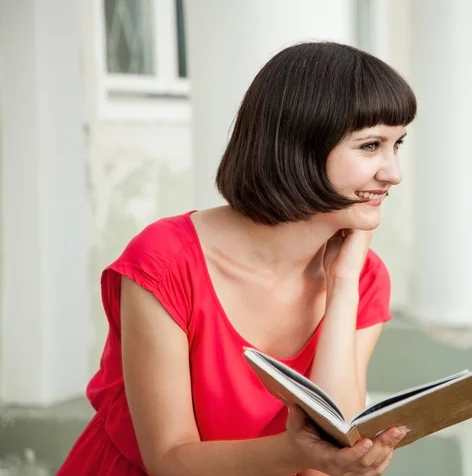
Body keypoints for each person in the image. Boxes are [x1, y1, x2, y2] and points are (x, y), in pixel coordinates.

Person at [57, 41, 417, 476]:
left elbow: (334, 444)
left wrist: (342, 285)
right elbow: (168, 461)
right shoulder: (166, 261)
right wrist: (300, 453)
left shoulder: (362, 276)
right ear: (297, 144)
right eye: (370, 146)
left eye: (397, 145)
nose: (392, 172)